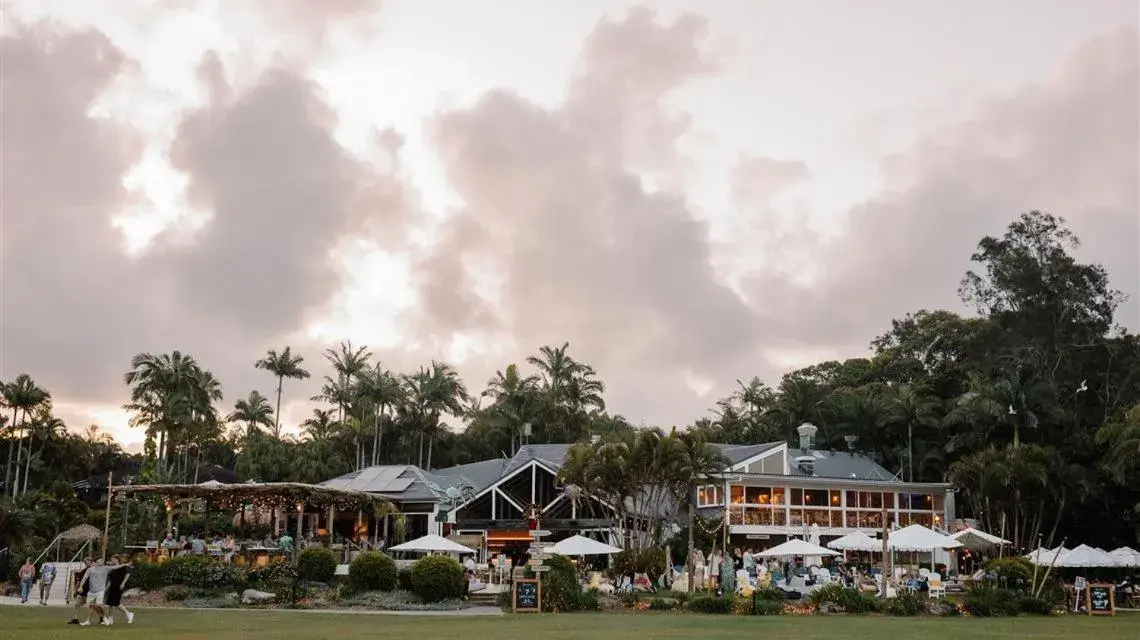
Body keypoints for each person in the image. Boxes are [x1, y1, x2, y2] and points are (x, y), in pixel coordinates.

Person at [102, 555, 135, 625]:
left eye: (114, 559)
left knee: (116, 603)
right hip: (112, 587)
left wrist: (123, 583)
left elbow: (127, 574)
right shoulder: (112, 569)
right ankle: (110, 619)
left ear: (118, 560)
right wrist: (106, 588)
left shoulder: (122, 567)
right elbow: (110, 580)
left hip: (119, 586)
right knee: (110, 604)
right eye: (112, 559)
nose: (112, 561)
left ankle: (128, 613)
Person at [77, 558, 110, 626]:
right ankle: (88, 621)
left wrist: (124, 565)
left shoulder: (106, 568)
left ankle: (104, 617)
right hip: (91, 591)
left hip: (100, 590)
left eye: (102, 560)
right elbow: (84, 578)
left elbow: (115, 567)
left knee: (98, 605)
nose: (102, 561)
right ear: (96, 562)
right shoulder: (90, 570)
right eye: (100, 560)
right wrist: (80, 586)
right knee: (91, 606)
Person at [67, 558, 95, 625]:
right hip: (82, 591)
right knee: (77, 604)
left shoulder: (94, 571)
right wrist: (76, 590)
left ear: (91, 563)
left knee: (93, 606)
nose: (87, 564)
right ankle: (75, 618)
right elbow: (79, 581)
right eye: (86, 562)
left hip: (91, 591)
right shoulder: (83, 571)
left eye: (88, 562)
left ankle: (101, 617)